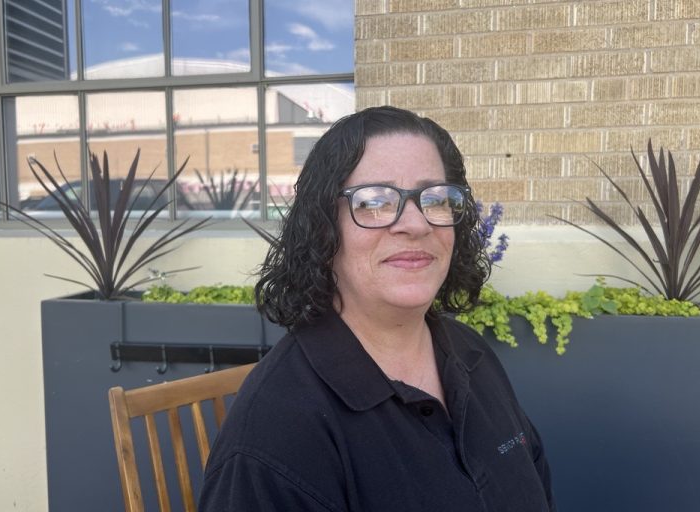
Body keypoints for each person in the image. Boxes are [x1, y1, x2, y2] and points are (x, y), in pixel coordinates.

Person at [198, 106, 556, 511]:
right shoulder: (275, 438)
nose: (416, 224)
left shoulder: (471, 354)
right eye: (373, 202)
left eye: (435, 198)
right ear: (323, 227)